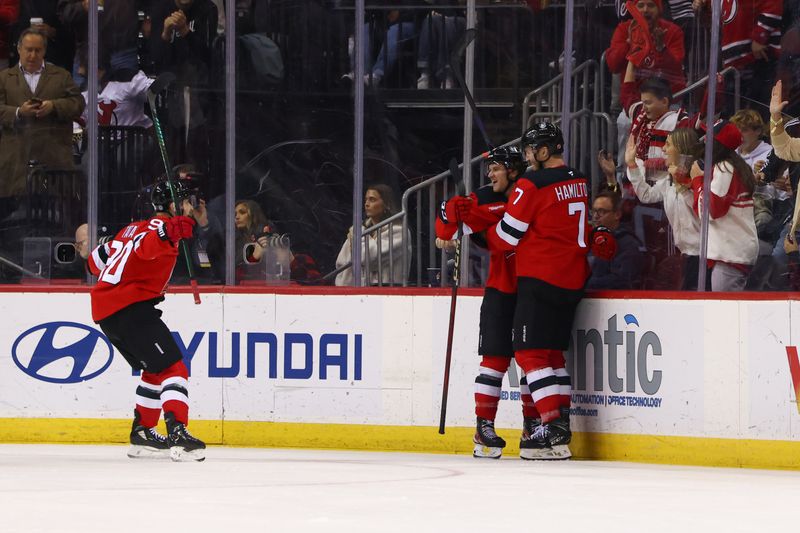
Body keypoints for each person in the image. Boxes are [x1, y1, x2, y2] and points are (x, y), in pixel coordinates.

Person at [485, 123, 592, 460]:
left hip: (540, 277)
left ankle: (551, 427)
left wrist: (484, 229)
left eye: (531, 150)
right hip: (573, 277)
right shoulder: (579, 179)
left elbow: (507, 236)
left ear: (544, 151)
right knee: (552, 356)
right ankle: (559, 430)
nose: (528, 157)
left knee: (530, 355)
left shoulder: (531, 184)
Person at [86, 179, 206, 461]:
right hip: (131, 308)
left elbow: (93, 263)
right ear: (173, 205)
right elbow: (147, 249)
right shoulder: (159, 230)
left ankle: (143, 433)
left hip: (108, 312)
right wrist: (167, 232)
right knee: (174, 368)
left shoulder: (130, 229)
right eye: (188, 202)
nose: (192, 207)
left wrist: (160, 234)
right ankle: (179, 434)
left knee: (154, 370)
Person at [435, 146, 542, 459]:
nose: (490, 174)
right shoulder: (485, 198)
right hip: (500, 287)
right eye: (489, 170)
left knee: (530, 360)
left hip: (532, 286)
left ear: (512, 170)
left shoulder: (533, 193)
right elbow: (446, 230)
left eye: (496, 169)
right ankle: (484, 428)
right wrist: (452, 211)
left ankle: (532, 424)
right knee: (495, 359)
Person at [0, 28, 85, 222]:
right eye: (28, 49)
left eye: (37, 50)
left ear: (44, 51)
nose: (32, 55)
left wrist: (54, 106)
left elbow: (78, 104)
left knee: (54, 219)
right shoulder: (4, 78)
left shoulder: (61, 76)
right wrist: (19, 112)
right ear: (19, 49)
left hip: (53, 158)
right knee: (12, 222)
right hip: (14, 162)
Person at [624, 127, 702, 289]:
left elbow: (702, 210)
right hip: (684, 255)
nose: (663, 149)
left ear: (681, 149)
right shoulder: (669, 181)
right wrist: (632, 164)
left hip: (703, 258)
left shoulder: (699, 178)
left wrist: (682, 183)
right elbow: (647, 195)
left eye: (668, 144)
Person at [689, 121, 759, 291]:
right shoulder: (733, 165)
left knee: (724, 314)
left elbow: (711, 211)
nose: (704, 141)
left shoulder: (724, 167)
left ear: (716, 144)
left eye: (708, 139)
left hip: (731, 256)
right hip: (735, 252)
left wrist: (697, 180)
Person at [335, 184, 411, 286]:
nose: (366, 204)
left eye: (372, 199)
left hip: (386, 294)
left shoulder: (399, 231)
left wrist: (359, 233)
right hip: (354, 295)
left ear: (386, 204)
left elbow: (369, 258)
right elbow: (341, 263)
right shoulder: (358, 230)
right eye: (366, 200)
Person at [605, 0, 685, 93]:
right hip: (634, 97)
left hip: (668, 98)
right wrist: (628, 44)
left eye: (651, 5)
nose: (645, 10)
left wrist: (661, 47)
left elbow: (676, 70)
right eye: (640, 5)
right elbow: (614, 66)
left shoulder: (673, 31)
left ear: (659, 10)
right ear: (634, 9)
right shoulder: (624, 29)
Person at [586, 191, 645, 290]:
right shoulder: (591, 240)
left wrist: (583, 285)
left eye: (601, 211)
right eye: (594, 211)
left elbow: (621, 281)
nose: (595, 216)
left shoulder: (628, 244)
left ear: (617, 214)